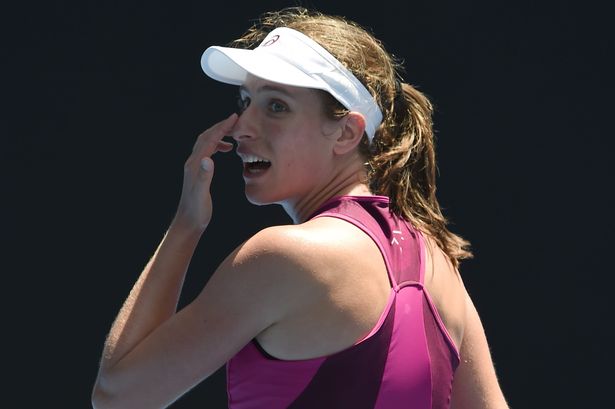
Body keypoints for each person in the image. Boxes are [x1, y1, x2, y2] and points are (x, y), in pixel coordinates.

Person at [91, 7, 509, 409]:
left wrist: (185, 226)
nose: (241, 127)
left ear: (346, 133)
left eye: (276, 106)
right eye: (244, 101)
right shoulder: (439, 262)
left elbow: (118, 397)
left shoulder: (283, 257)